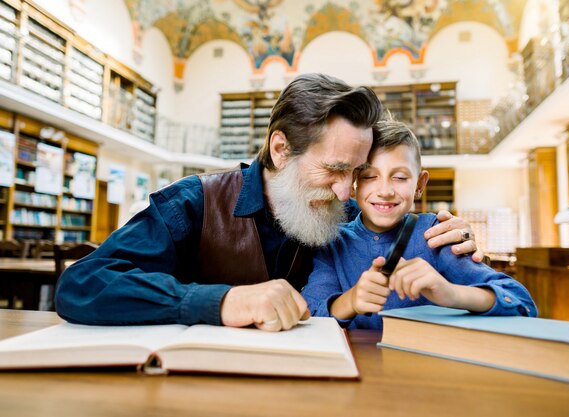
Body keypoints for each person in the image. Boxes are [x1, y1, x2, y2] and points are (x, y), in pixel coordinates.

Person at [55, 73, 481, 331]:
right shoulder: (193, 204)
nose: (344, 192)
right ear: (280, 149)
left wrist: (452, 237)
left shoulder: (347, 214)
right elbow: (81, 285)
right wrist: (223, 301)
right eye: (331, 169)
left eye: (354, 173)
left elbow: (404, 235)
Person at [301, 117, 537, 329]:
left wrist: (450, 293)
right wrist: (350, 301)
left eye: (400, 177)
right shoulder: (333, 241)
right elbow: (309, 315)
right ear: (353, 183)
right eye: (369, 177)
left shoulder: (436, 235)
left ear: (420, 185)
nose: (384, 191)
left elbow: (522, 303)